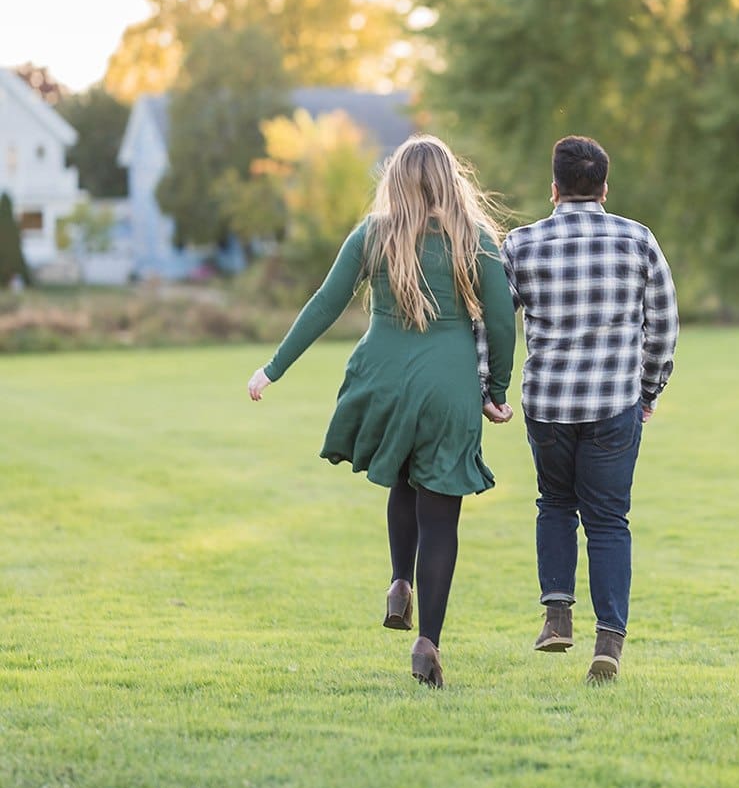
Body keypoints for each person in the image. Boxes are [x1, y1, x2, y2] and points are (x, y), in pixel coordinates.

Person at [247, 135, 515, 688]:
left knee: (401, 473)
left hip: (383, 378)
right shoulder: (476, 238)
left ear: (394, 179)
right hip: (448, 383)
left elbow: (325, 303)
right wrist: (496, 389)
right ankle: (428, 642)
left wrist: (272, 369)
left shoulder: (375, 233)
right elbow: (502, 322)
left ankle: (399, 582)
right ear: (450, 180)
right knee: (440, 513)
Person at [500, 135, 678, 683]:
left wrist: (490, 386)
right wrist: (648, 390)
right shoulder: (637, 240)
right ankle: (609, 641)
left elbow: (496, 324)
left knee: (555, 503)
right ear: (604, 188)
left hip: (548, 404)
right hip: (614, 404)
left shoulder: (520, 245)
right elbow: (663, 326)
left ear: (553, 189)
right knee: (608, 520)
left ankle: (557, 617)